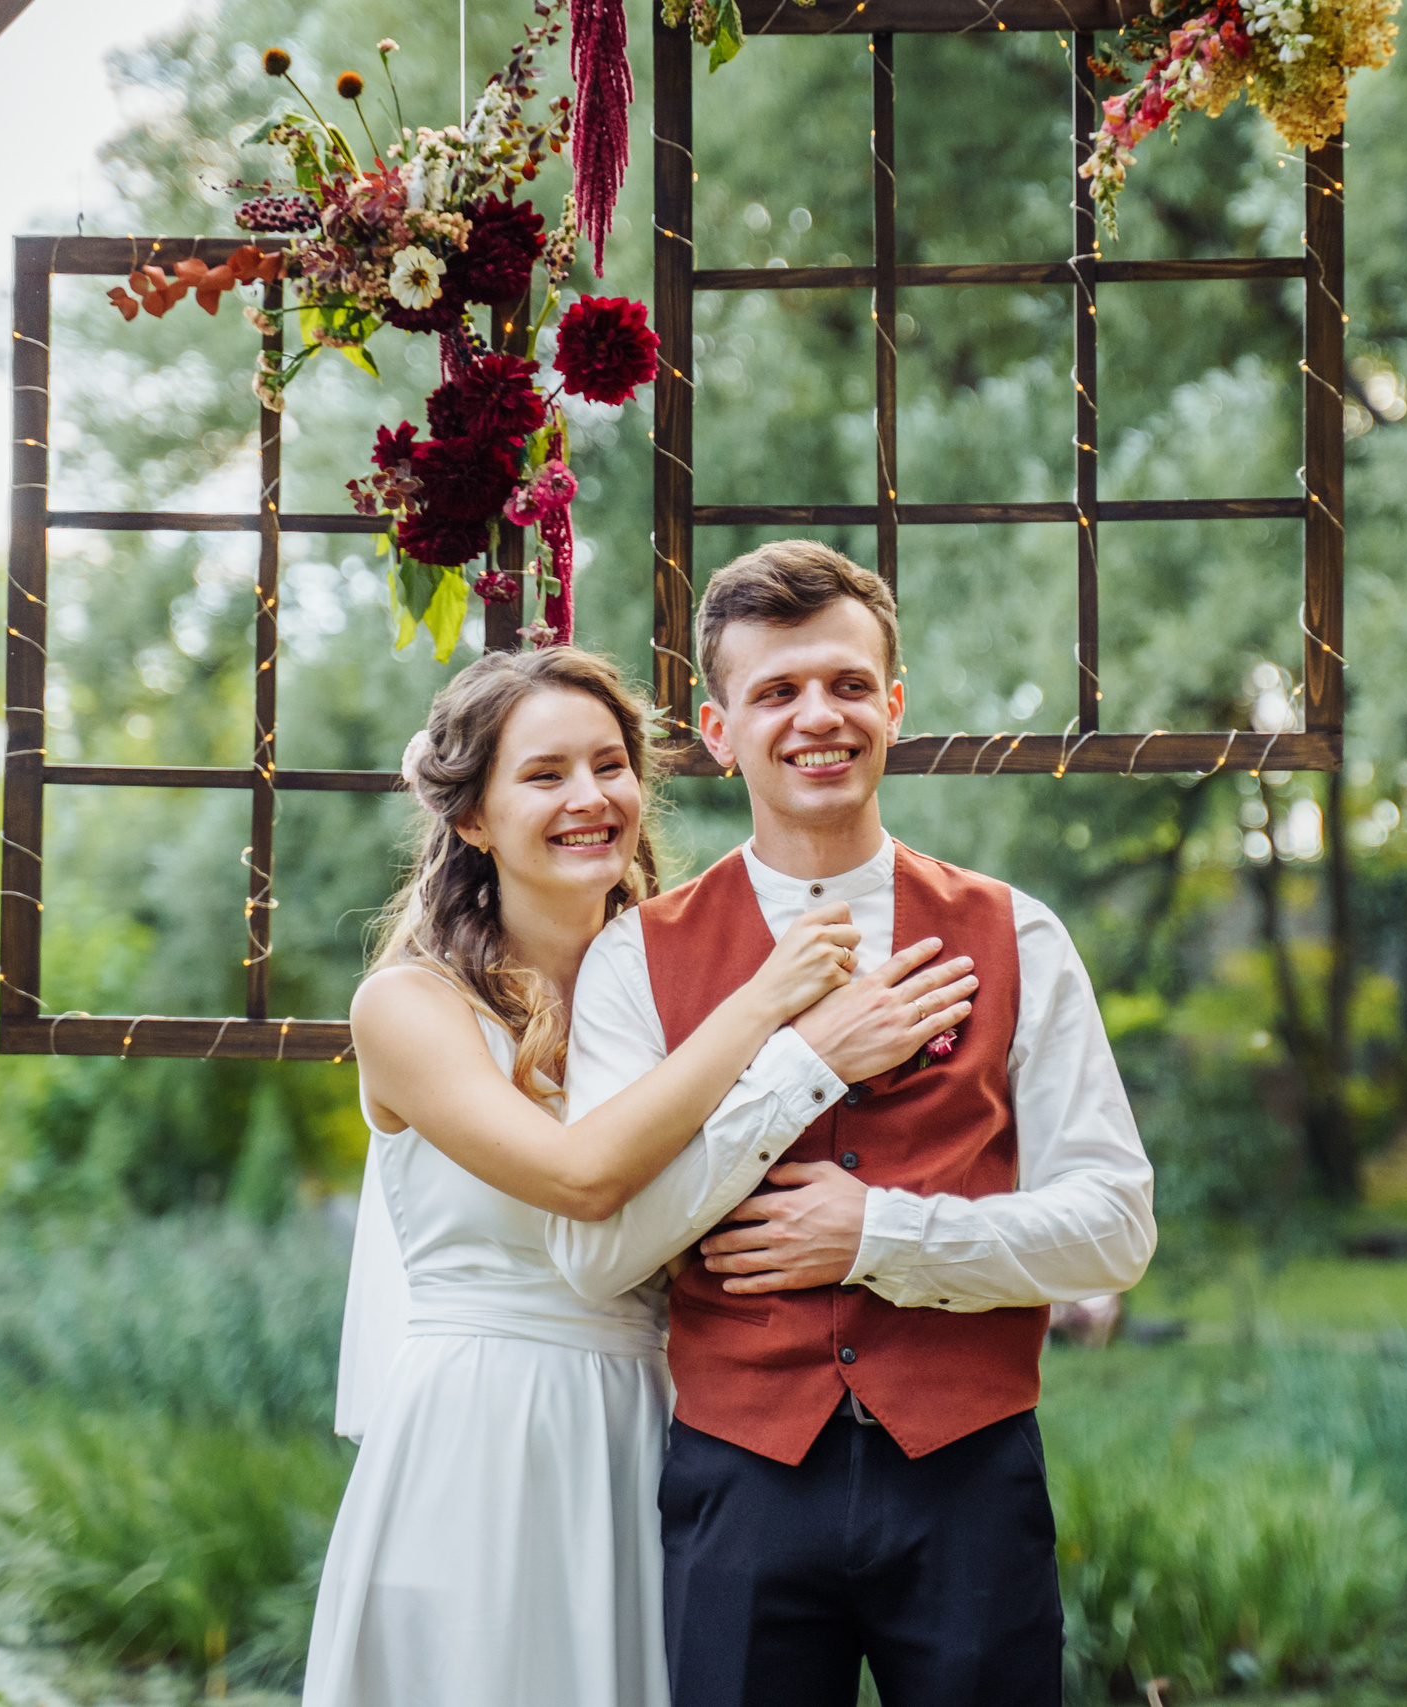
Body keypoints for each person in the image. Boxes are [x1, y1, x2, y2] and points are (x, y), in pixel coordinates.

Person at [305, 644, 978, 1707]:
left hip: (659, 1428)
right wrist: (768, 1011)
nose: (590, 797)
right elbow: (579, 1179)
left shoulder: (673, 988)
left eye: (609, 764)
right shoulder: (408, 1007)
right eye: (544, 774)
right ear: (472, 818)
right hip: (486, 1432)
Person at [547, 543, 1157, 1707]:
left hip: (970, 1480)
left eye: (846, 684)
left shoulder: (1019, 936)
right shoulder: (634, 959)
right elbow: (600, 1248)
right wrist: (801, 1068)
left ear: (894, 705)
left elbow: (1114, 1229)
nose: (816, 717)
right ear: (719, 732)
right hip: (738, 1481)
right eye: (776, 691)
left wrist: (877, 1234)